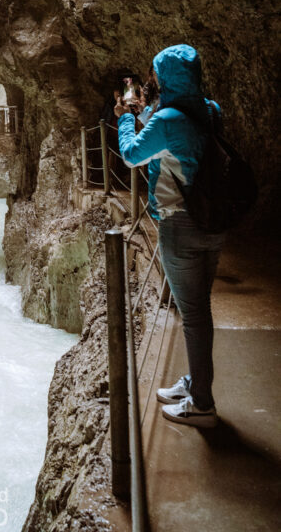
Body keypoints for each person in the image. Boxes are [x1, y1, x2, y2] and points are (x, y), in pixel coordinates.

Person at [115, 43, 225, 428]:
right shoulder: (210, 111)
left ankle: (202, 404)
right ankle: (196, 383)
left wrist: (127, 117)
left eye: (156, 78)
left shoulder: (166, 121)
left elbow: (131, 154)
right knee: (199, 310)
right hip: (213, 222)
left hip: (180, 225)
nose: (152, 83)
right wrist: (147, 109)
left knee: (193, 315)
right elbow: (175, 132)